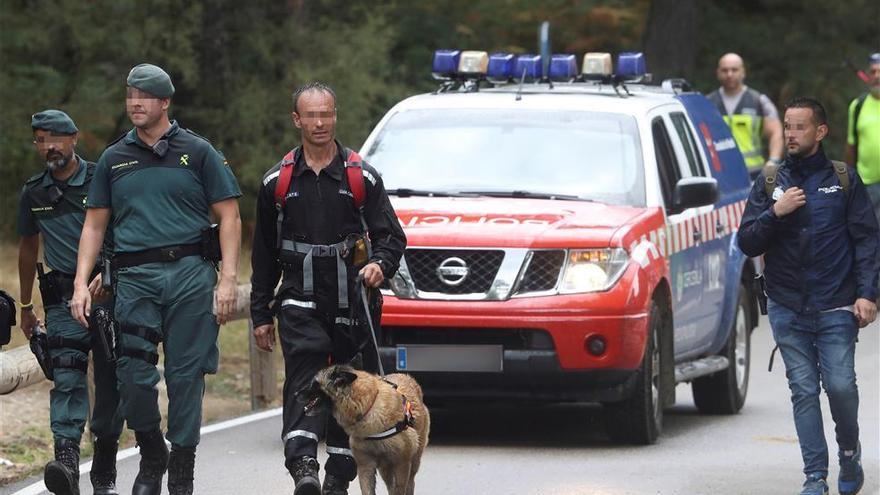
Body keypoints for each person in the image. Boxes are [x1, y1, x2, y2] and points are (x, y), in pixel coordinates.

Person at [69, 64, 242, 495]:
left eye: (144, 97)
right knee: (133, 377)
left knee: (186, 378)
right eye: (130, 96)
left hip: (189, 277)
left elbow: (229, 215)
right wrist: (79, 282)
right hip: (134, 280)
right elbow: (93, 226)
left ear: (165, 102)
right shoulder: (113, 158)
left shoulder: (198, 151)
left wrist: (228, 280)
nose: (135, 104)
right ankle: (151, 450)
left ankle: (181, 472)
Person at [250, 82, 406, 495]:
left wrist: (379, 265)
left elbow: (392, 237)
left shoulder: (362, 178)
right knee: (306, 371)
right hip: (299, 297)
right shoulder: (276, 183)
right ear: (297, 120)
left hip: (354, 301)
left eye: (327, 114)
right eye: (311, 115)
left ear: (335, 116)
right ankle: (303, 467)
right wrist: (261, 314)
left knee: (348, 386)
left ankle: (338, 476)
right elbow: (263, 254)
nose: (320, 123)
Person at [738, 97, 876, 495]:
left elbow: (867, 242)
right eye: (787, 126)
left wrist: (868, 294)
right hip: (787, 306)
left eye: (799, 127)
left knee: (840, 386)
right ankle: (814, 477)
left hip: (837, 305)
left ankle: (849, 453)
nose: (791, 134)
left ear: (820, 131)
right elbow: (747, 241)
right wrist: (774, 212)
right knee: (802, 389)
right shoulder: (769, 182)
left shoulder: (844, 179)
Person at [18, 110, 123, 495]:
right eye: (41, 140)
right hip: (62, 301)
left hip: (108, 295)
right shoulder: (34, 191)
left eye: (55, 139)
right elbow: (28, 248)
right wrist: (27, 306)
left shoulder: (101, 179)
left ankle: (105, 470)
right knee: (66, 374)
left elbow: (125, 227)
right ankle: (66, 462)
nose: (48, 147)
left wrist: (111, 271)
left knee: (112, 383)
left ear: (74, 138)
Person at [708, 53, 784, 178]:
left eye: (734, 70)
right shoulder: (708, 103)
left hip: (753, 175)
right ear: (718, 72)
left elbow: (776, 132)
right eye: (725, 70)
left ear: (743, 72)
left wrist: (773, 161)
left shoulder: (759, 101)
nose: (729, 74)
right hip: (719, 174)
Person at [845, 53, 880, 223]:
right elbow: (851, 146)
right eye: (873, 72)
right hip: (867, 184)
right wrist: (849, 181)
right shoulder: (857, 106)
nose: (877, 76)